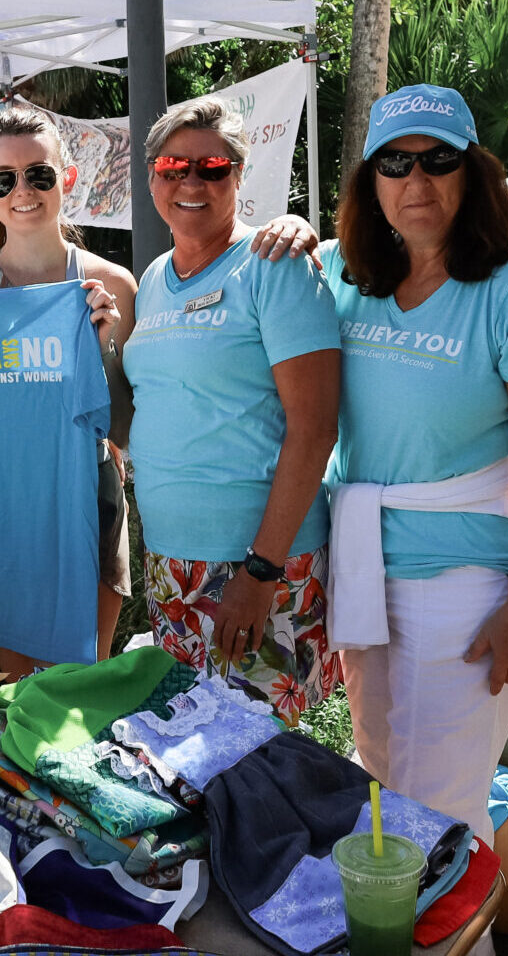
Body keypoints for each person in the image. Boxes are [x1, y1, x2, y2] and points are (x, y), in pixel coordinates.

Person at [322, 85, 508, 912]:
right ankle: (414, 946)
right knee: (381, 770)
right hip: (363, 566)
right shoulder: (345, 276)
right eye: (394, 164)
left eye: (439, 161)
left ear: (474, 176)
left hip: (463, 582)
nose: (417, 182)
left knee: (438, 802)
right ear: (370, 184)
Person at [121, 96, 343, 722]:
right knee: (190, 759)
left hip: (258, 565)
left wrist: (261, 570)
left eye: (212, 166)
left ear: (239, 177)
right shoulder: (156, 278)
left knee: (260, 760)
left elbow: (316, 427)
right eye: (173, 166)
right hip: (172, 563)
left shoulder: (275, 267)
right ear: (152, 177)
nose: (191, 181)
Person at [0, 109, 138, 671]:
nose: (23, 190)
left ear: (67, 179)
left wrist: (104, 348)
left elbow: (125, 429)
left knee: (82, 686)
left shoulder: (113, 286)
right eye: (4, 179)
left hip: (87, 499)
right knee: (21, 692)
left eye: (39, 174)